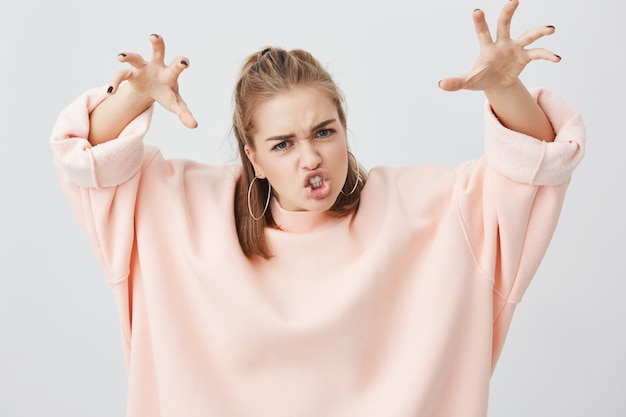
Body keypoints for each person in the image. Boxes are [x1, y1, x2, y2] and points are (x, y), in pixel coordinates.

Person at [50, 1, 585, 416]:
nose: (311, 157)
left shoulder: (423, 211)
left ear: (345, 131)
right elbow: (91, 162)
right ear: (251, 156)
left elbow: (528, 171)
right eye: (282, 143)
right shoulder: (181, 213)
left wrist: (508, 91)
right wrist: (133, 97)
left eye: (324, 132)